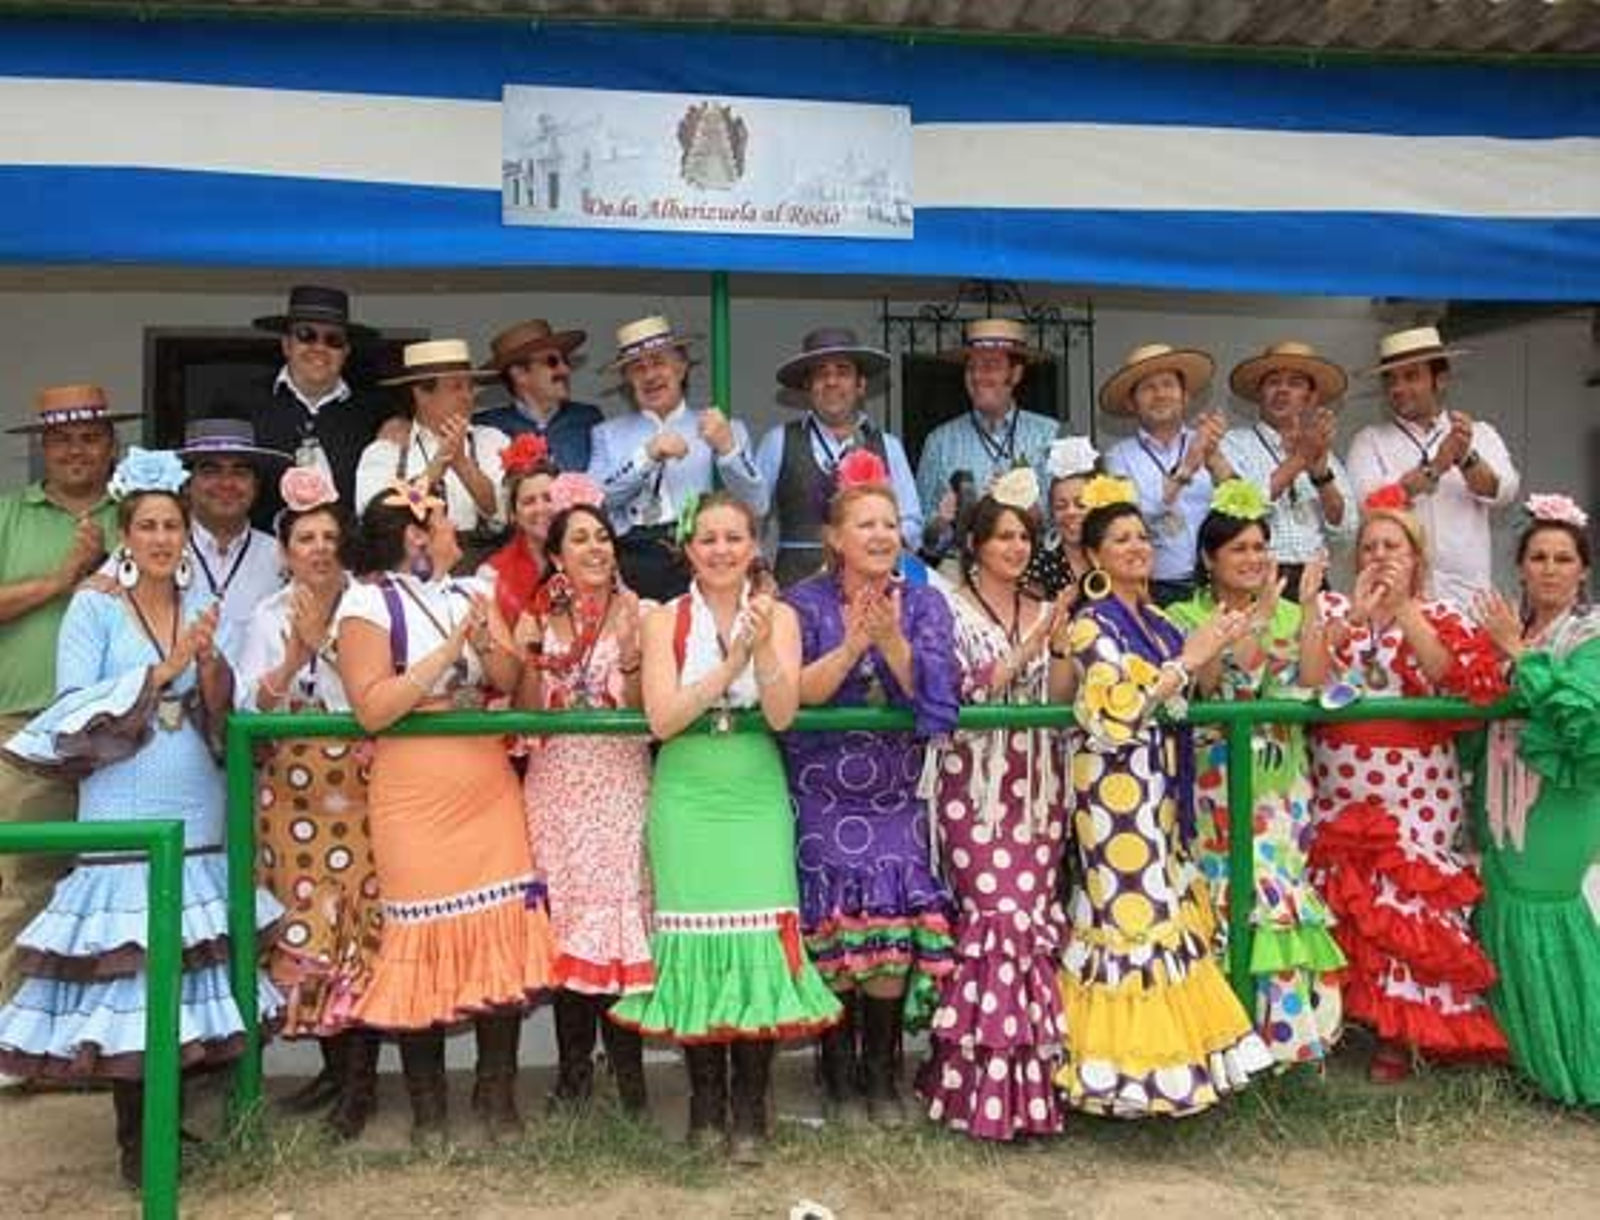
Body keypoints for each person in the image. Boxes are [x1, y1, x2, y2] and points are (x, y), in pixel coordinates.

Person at [0, 448, 283, 1187]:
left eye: (172, 527)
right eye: (149, 526)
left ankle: (173, 1121)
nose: (161, 539)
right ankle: (136, 1142)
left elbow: (221, 711)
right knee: (130, 972)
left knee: (188, 969)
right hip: (124, 798)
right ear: (127, 535)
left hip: (195, 797)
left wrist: (213, 671)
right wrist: (162, 670)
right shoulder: (93, 606)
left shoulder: (197, 608)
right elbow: (70, 710)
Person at [608, 494, 840, 1165]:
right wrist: (731, 663)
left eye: (733, 538)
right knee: (695, 948)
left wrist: (761, 649)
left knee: (759, 940)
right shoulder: (664, 620)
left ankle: (751, 1106)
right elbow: (662, 719)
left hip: (752, 784)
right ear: (688, 548)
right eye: (707, 538)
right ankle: (706, 1105)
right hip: (686, 785)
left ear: (753, 546)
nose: (719, 550)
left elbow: (783, 711)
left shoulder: (782, 615)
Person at [334, 476, 554, 1146]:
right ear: (415, 537)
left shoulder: (473, 592)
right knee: (420, 944)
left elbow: (511, 682)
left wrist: (489, 647)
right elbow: (373, 706)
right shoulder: (366, 603)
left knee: (499, 932)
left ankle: (496, 1092)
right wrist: (446, 655)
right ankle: (429, 1107)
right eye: (445, 521)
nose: (458, 530)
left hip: (485, 786)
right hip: (415, 796)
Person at [1054, 474, 1274, 1117]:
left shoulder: (1152, 619)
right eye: (1120, 539)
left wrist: (1221, 645)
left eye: (1142, 536)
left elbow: (1182, 698)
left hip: (1162, 788)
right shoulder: (1090, 625)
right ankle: (1120, 1079)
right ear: (1093, 556)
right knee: (1128, 921)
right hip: (1113, 796)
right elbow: (1115, 710)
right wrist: (1191, 656)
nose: (1137, 547)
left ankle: (1165, 1069)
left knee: (1163, 913)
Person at [780, 451, 958, 1127]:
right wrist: (855, 645)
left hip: (893, 793)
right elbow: (792, 698)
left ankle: (881, 1073)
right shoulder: (800, 603)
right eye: (866, 524)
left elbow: (937, 698)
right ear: (834, 537)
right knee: (836, 929)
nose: (882, 536)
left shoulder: (928, 601)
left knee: (890, 927)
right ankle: (835, 1071)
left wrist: (894, 642)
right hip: (823, 792)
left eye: (890, 524)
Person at [1307, 484, 1508, 1081]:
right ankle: (1347, 1019)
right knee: (1350, 901)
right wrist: (1359, 620)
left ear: (1417, 558)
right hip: (1342, 788)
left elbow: (1452, 679)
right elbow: (1310, 681)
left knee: (1405, 907)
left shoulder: (1442, 614)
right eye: (1369, 547)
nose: (1379, 556)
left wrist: (1404, 613)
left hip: (1416, 792)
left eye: (1392, 546)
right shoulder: (1334, 613)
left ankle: (1405, 1033)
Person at [917, 468, 1076, 1141]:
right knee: (995, 924)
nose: (1015, 546)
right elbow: (960, 693)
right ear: (976, 543)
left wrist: (1060, 644)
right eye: (1004, 535)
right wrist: (1032, 645)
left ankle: (1029, 1092)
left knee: (1031, 925)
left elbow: (1061, 697)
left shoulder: (1044, 609)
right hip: (973, 789)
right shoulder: (944, 605)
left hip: (1038, 788)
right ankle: (967, 1086)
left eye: (1024, 537)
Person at [1166, 481, 1345, 1068]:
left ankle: (1280, 1044)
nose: (1253, 558)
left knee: (1276, 901)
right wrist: (1257, 620)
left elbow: (1314, 682)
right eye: (1239, 548)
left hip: (1280, 783)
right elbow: (1215, 684)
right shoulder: (1184, 613)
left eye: (1260, 547)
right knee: (1220, 900)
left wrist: (1311, 610)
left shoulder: (1291, 610)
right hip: (1214, 785)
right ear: (1209, 558)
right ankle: (1223, 1043)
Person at [235, 466, 382, 1139]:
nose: (319, 548)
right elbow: (247, 706)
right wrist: (293, 658)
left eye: (328, 535)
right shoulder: (266, 615)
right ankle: (332, 1066)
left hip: (357, 782)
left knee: (358, 927)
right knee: (307, 932)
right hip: (291, 792)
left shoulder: (370, 605)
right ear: (285, 549)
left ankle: (360, 1085)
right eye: (305, 538)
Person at [512, 473, 653, 1116]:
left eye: (603, 537)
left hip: (622, 787)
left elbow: (657, 716)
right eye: (580, 539)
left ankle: (630, 1080)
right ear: (557, 555)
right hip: (557, 791)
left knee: (620, 927)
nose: (595, 548)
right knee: (568, 924)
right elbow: (522, 716)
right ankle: (572, 1078)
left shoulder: (646, 614)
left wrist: (628, 663)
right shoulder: (537, 619)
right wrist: (529, 659)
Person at [0, 384, 127, 1014]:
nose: (76, 450)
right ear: (42, 449)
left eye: (90, 437)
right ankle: (17, 1043)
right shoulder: (7, 515)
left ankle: (97, 1047)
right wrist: (60, 580)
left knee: (118, 885)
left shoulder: (136, 516)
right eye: (61, 439)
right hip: (25, 729)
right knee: (25, 885)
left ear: (112, 447)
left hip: (123, 736)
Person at [1471, 494, 1599, 1106]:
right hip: (1500, 798)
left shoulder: (1591, 635)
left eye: (1563, 558)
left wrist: (1517, 656)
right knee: (1501, 910)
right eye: (1539, 557)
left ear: (1583, 570)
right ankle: (1530, 1062)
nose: (1550, 568)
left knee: (1544, 910)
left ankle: (1579, 1067)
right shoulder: (1512, 629)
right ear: (1520, 567)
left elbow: (1584, 720)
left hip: (1559, 801)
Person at [587, 316, 764, 602]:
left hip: (701, 556)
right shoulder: (607, 434)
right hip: (631, 560)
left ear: (681, 366)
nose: (650, 375)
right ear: (627, 380)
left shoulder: (720, 427)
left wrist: (728, 449)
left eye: (659, 362)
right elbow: (595, 503)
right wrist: (646, 456)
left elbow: (757, 503)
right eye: (638, 368)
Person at [1345, 327, 1520, 605]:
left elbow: (1504, 492)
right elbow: (1369, 506)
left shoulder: (1480, 433)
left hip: (1468, 595)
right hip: (1395, 597)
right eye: (1391, 380)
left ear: (1441, 380)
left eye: (1411, 376)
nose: (1398, 388)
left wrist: (1465, 457)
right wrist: (1436, 466)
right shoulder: (1369, 441)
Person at [210, 284, 391, 526]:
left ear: (346, 351)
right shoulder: (239, 403)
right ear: (287, 345)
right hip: (260, 554)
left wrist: (396, 422)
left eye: (333, 340)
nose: (319, 347)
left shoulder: (375, 413)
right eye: (306, 335)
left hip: (345, 557)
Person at [755, 327, 922, 587]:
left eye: (842, 371)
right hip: (796, 590)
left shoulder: (889, 446)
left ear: (860, 385)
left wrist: (875, 545)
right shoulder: (778, 441)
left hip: (872, 590)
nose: (831, 381)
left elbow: (911, 522)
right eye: (821, 373)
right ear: (808, 386)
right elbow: (751, 516)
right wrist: (760, 570)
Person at [914, 318, 1061, 563]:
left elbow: (1072, 521)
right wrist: (942, 521)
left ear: (1016, 373)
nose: (978, 376)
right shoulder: (940, 441)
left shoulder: (1050, 435)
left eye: (990, 366)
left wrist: (1037, 516)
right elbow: (921, 537)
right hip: (958, 574)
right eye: (971, 367)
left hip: (1033, 570)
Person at [355, 340, 509, 571]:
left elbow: (503, 513)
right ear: (421, 394)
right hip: (412, 581)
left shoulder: (492, 441)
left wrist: (461, 463)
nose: (468, 396)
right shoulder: (384, 453)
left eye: (470, 386)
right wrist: (439, 464)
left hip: (483, 577)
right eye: (456, 387)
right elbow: (379, 524)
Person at [1101, 343, 1232, 606]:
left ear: (1185, 396)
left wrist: (1215, 461)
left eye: (1168, 385)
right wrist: (1186, 470)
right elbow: (1131, 520)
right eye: (1148, 388)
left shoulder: (1212, 442)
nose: (1160, 394)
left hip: (1218, 585)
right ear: (1131, 403)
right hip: (1154, 587)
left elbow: (1244, 509)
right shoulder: (1118, 457)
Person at [1220, 342, 1355, 596]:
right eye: (1273, 382)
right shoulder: (1235, 444)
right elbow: (1241, 510)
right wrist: (1299, 460)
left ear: (1311, 398)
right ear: (1260, 392)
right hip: (1257, 579)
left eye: (1295, 383)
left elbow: (1345, 529)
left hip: (1314, 581)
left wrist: (1321, 476)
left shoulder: (1326, 454)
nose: (1282, 390)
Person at [176, 419, 290, 634]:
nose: (227, 483)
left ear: (256, 486)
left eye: (239, 472)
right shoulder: (155, 549)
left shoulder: (281, 556)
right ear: (187, 485)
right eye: (211, 471)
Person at [473, 318, 604, 474]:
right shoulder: (487, 427)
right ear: (519, 374)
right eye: (552, 361)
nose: (565, 370)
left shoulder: (589, 419)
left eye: (565, 361)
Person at [479, 433, 559, 625]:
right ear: (513, 515)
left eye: (548, 498)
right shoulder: (491, 575)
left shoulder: (587, 556)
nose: (541, 509)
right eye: (529, 501)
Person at [1024, 434, 1098, 599]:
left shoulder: (1114, 551)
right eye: (1060, 506)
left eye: (1081, 504)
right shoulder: (1040, 562)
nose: (1071, 513)